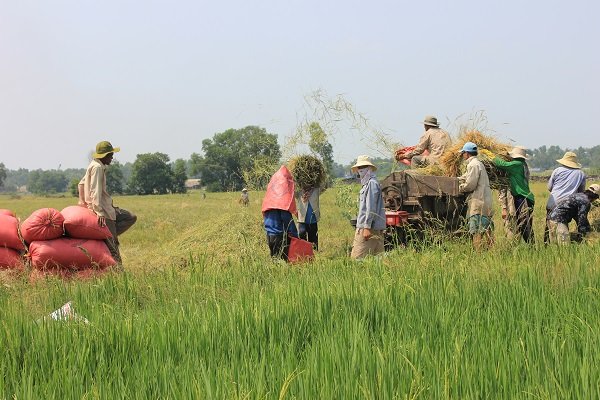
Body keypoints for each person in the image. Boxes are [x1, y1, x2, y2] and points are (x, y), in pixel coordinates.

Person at [78, 141, 137, 264]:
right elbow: (95, 190)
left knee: (130, 217)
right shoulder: (98, 167)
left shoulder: (94, 165)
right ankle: (119, 272)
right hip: (103, 210)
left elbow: (81, 183)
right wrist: (99, 212)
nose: (112, 158)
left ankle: (105, 236)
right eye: (110, 155)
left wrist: (82, 200)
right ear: (104, 155)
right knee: (113, 245)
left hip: (107, 207)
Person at [492, 146, 535, 243]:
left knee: (525, 225)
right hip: (525, 197)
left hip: (523, 197)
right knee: (523, 224)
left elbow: (501, 163)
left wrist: (492, 155)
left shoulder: (517, 164)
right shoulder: (523, 164)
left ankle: (532, 247)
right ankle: (530, 246)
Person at [457, 142, 494, 249]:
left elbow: (470, 185)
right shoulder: (478, 163)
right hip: (485, 201)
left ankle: (478, 253)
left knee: (476, 231)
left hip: (478, 201)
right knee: (486, 229)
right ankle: (490, 253)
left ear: (467, 153)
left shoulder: (473, 165)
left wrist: (459, 188)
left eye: (463, 153)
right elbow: (466, 176)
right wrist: (455, 179)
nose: (463, 155)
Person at [544, 151, 586, 243]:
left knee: (550, 229)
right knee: (563, 224)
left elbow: (549, 187)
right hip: (569, 205)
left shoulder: (557, 171)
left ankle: (548, 248)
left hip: (553, 203)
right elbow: (581, 192)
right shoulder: (581, 174)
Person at [350, 155, 386, 259]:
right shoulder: (367, 184)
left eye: (364, 167)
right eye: (359, 168)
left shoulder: (371, 184)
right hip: (374, 228)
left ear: (369, 168)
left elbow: (371, 207)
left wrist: (366, 227)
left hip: (369, 228)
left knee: (357, 259)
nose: (360, 170)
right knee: (377, 259)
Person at [261, 166, 299, 261]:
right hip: (280, 236)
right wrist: (296, 237)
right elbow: (288, 222)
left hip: (269, 235)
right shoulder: (282, 204)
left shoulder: (269, 203)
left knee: (274, 259)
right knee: (283, 260)